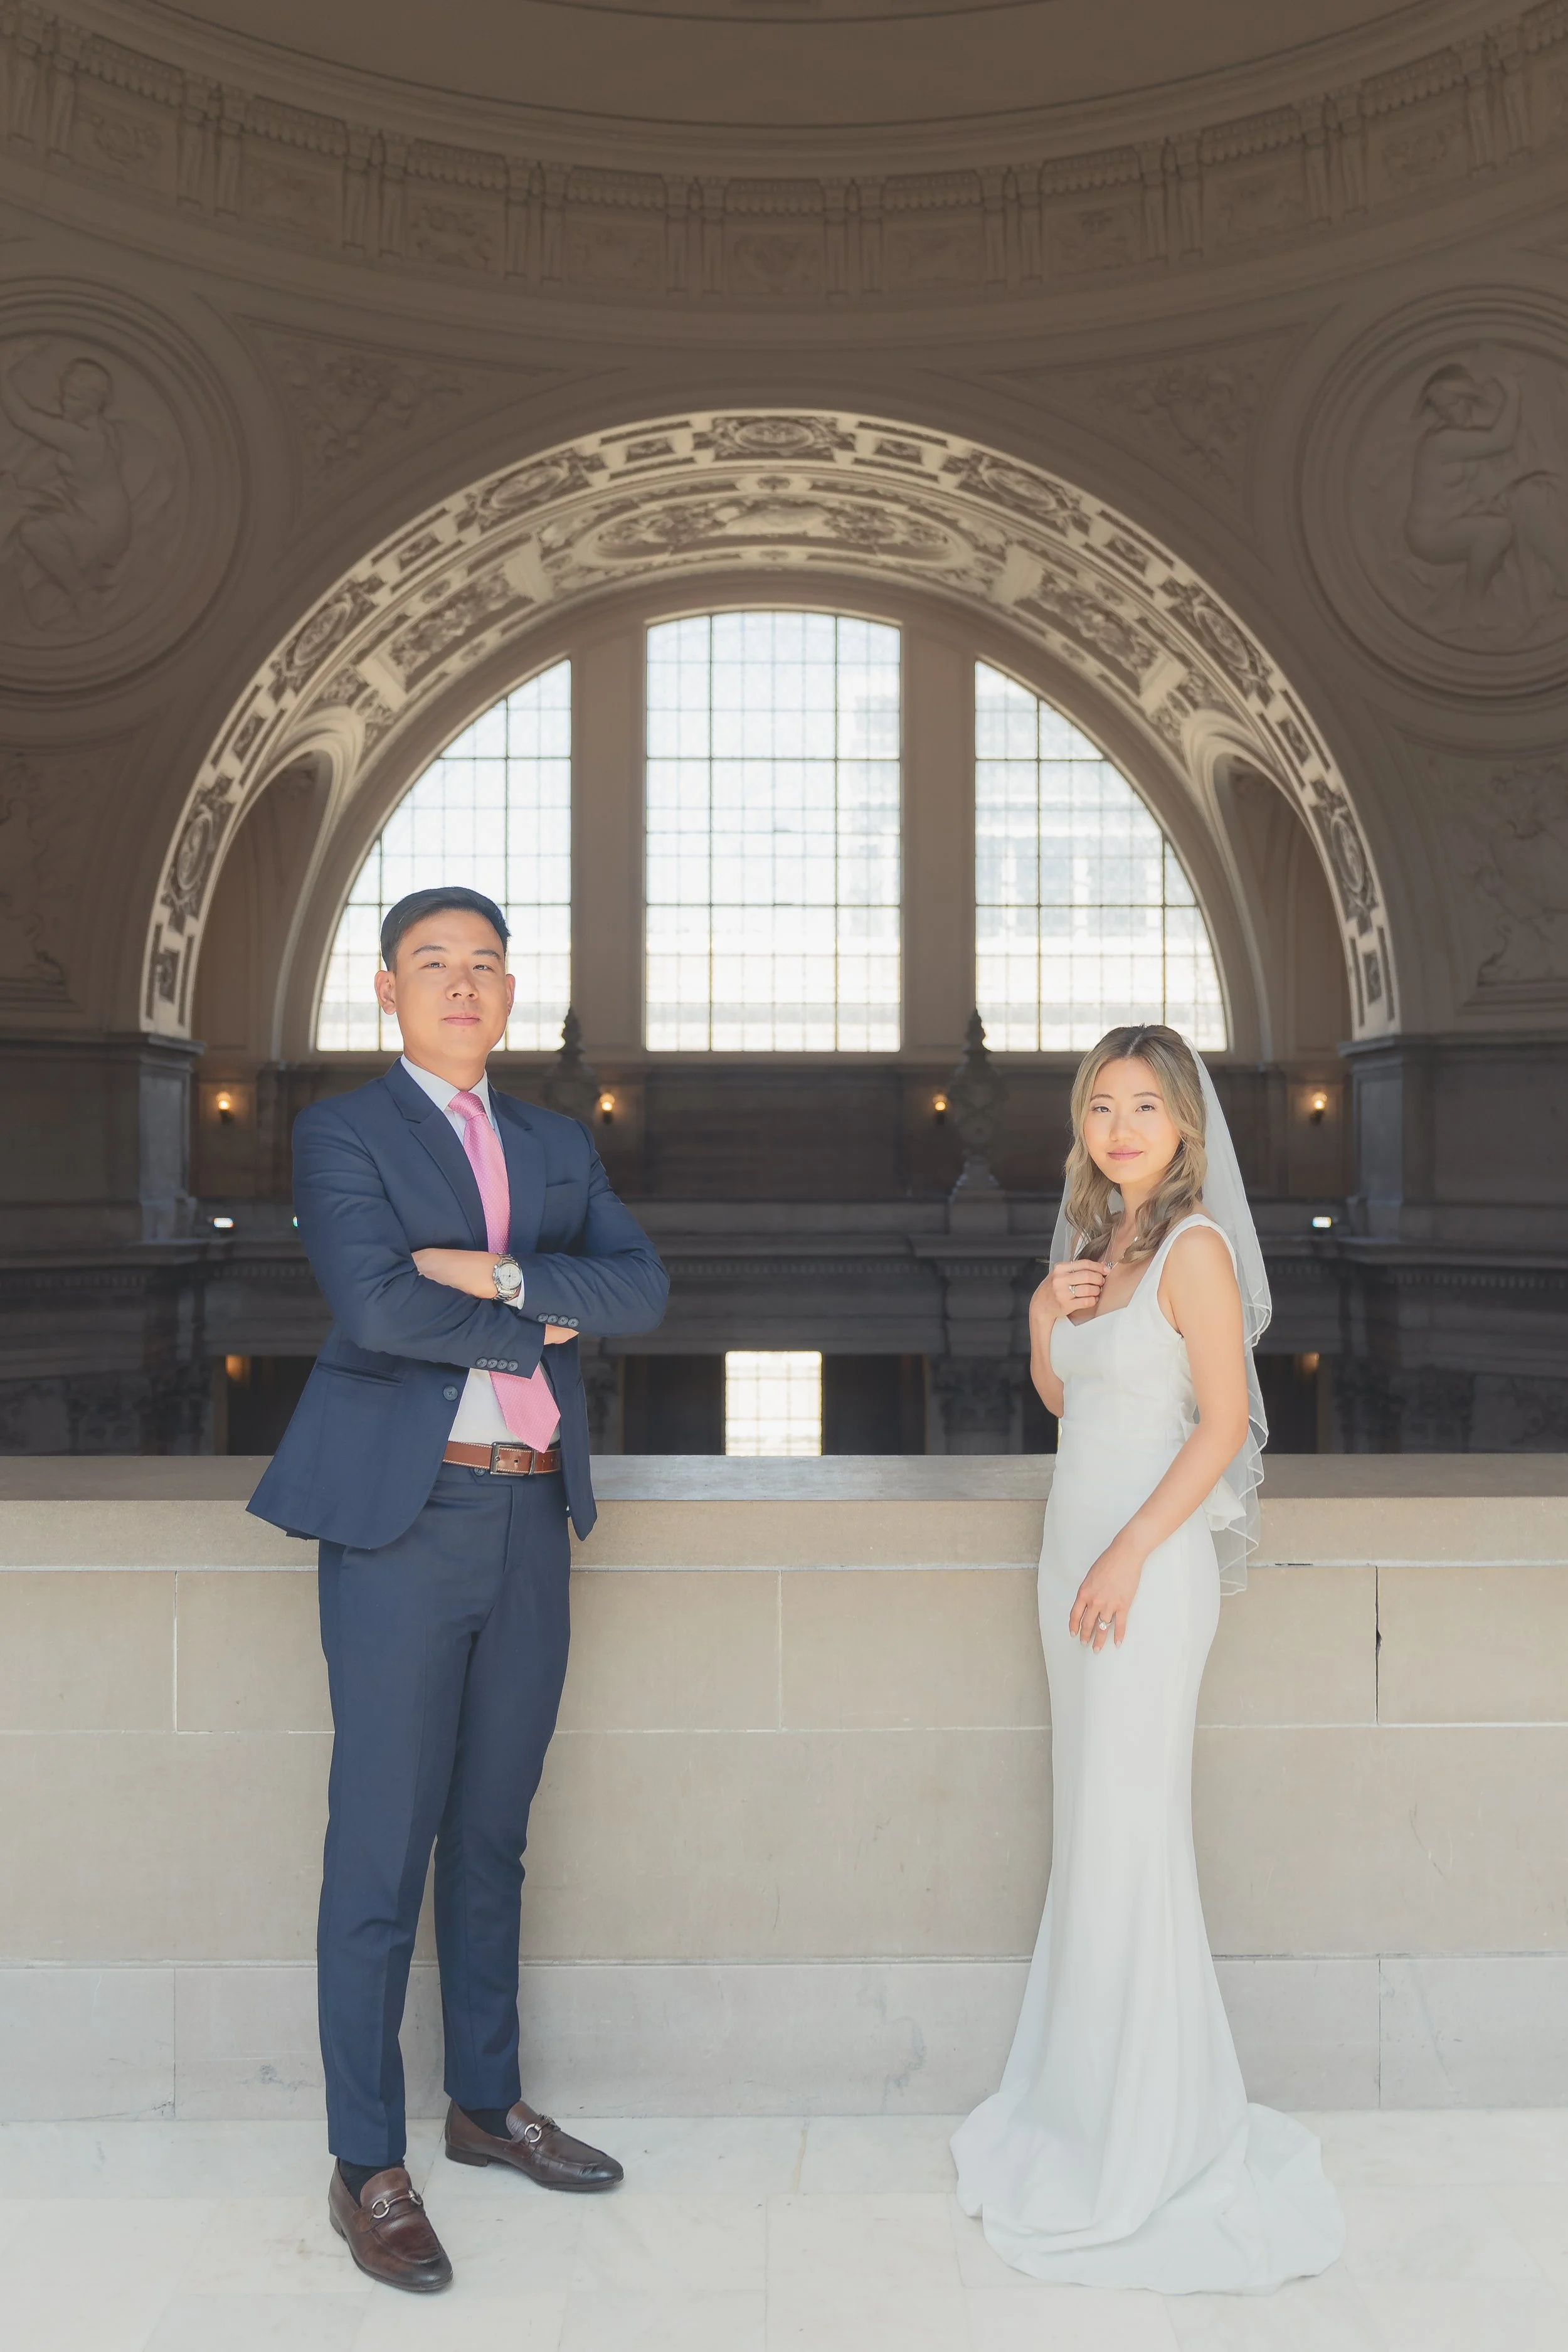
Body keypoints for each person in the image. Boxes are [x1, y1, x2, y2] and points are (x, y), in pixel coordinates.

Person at [249, 884, 669, 2294]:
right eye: (433, 963)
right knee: (378, 1848)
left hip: (531, 1513)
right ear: (386, 991)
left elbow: (643, 1289)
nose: (463, 984)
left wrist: (486, 1271)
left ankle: (485, 2108)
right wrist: (541, 1302)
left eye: (485, 964)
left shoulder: (556, 1139)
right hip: (402, 1517)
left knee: (490, 1835)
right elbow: (375, 1307)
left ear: (508, 990)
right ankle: (365, 2161)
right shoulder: (342, 1131)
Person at [951, 1024, 1344, 2292]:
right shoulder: (1089, 1246)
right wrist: (1036, 1312)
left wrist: (1126, 1554)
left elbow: (1222, 1422)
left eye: (1144, 1107)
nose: (1119, 1128)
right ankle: (1076, 2113)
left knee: (1129, 1838)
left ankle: (1147, 2138)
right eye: (1100, 1107)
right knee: (1091, 1837)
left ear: (1183, 1125)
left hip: (1143, 1573)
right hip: (1068, 1564)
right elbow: (1062, 1399)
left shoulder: (1192, 1249)